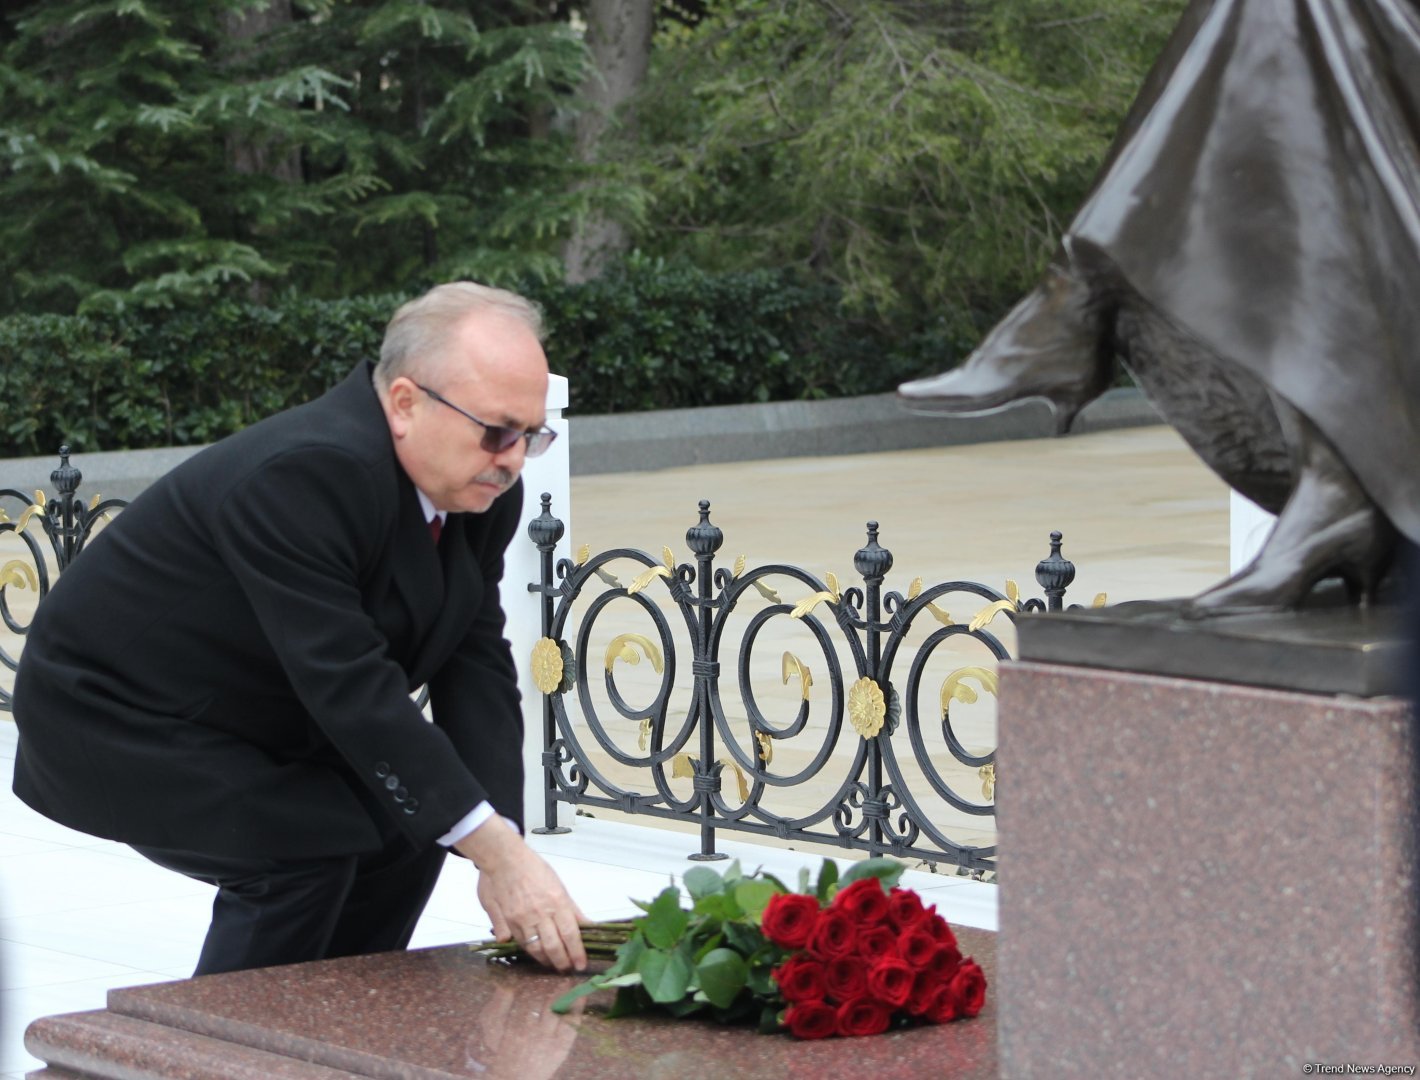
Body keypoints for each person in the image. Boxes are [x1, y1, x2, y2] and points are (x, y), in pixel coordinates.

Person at [10, 282, 589, 975]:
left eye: (531, 435)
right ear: (405, 403)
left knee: (410, 828)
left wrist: (504, 845)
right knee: (299, 851)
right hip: (116, 716)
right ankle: (221, 1054)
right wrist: (496, 852)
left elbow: (477, 660)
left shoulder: (480, 489)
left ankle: (338, 1034)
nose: (514, 459)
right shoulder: (308, 472)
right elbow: (348, 681)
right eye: (497, 431)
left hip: (251, 711)